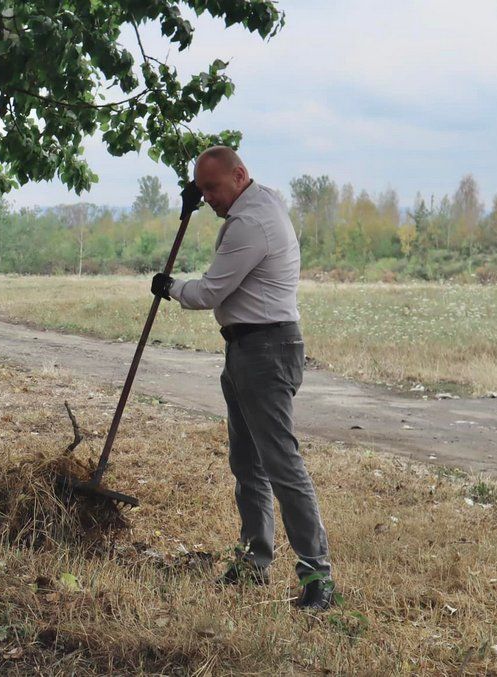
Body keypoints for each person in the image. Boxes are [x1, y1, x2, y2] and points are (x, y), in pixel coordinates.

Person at [149, 147, 335, 610]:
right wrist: (198, 193)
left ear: (239, 175)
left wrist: (170, 287)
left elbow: (211, 292)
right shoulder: (259, 201)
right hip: (248, 346)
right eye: (201, 190)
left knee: (280, 464)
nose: (208, 198)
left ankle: (317, 576)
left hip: (266, 349)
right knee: (247, 463)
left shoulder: (250, 223)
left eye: (212, 188)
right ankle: (254, 561)